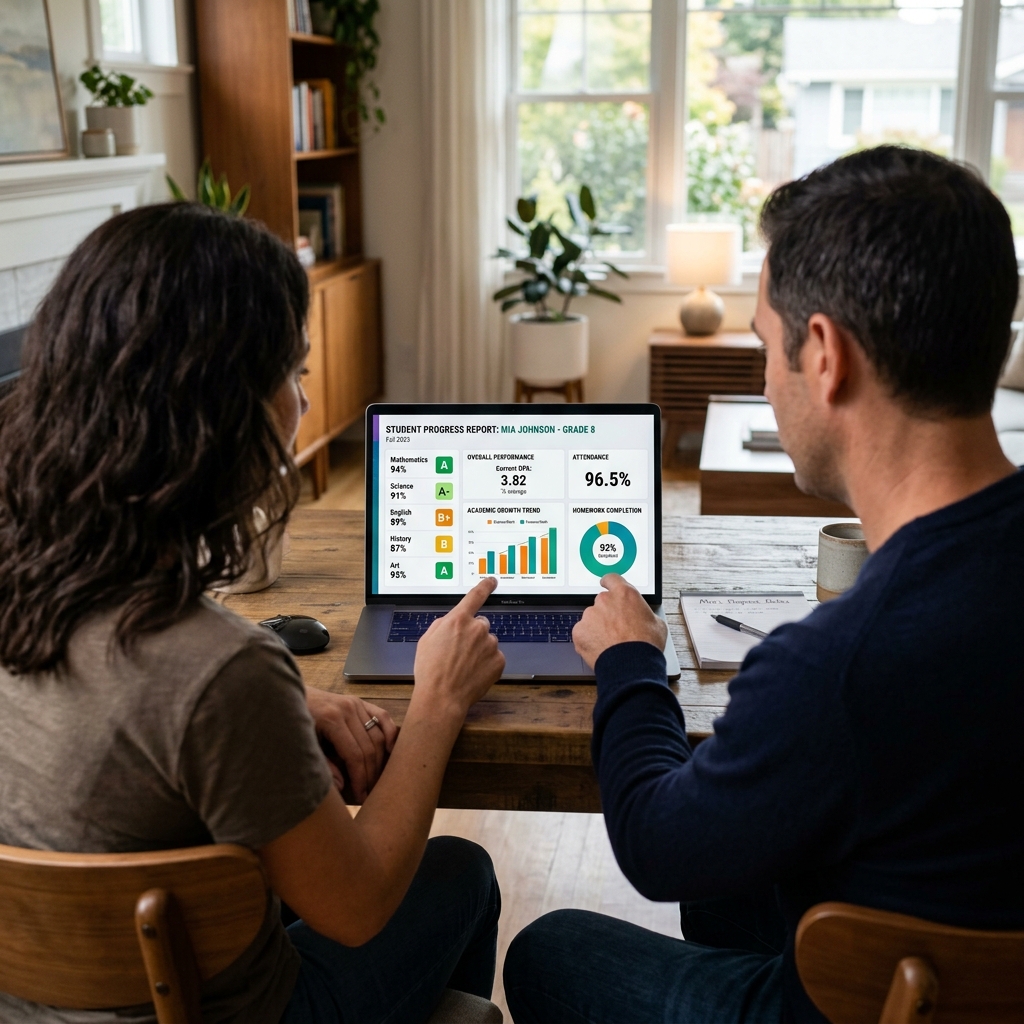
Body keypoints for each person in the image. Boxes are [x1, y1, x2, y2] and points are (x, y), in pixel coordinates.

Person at [502, 145, 1024, 1023]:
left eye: (765, 347)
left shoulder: (834, 666)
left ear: (824, 355)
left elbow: (657, 847)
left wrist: (632, 662)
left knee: (549, 951)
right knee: (737, 873)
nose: (766, 378)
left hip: (857, 1007)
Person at [0, 203, 506, 1024]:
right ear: (223, 410)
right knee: (460, 873)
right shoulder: (224, 671)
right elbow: (358, 904)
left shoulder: (34, 569)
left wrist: (296, 702)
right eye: (294, 374)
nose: (302, 402)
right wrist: (438, 702)